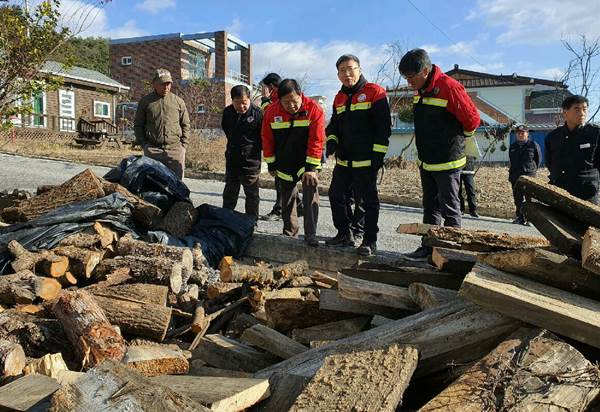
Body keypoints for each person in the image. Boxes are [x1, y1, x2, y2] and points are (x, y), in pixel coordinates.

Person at [399, 49, 480, 259]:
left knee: (450, 208)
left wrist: (459, 140)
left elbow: (472, 119)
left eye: (411, 77)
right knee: (430, 207)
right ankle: (429, 248)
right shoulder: (420, 90)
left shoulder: (449, 87)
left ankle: (450, 253)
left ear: (425, 71)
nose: (409, 82)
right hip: (427, 160)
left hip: (448, 161)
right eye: (406, 78)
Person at [325, 54, 391, 256]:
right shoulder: (339, 97)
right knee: (336, 195)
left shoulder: (375, 92)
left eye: (350, 68)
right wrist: (331, 142)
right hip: (344, 161)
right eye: (342, 70)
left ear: (359, 69)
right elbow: (334, 125)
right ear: (338, 75)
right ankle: (344, 233)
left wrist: (377, 157)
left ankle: (369, 240)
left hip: (367, 161)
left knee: (367, 202)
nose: (347, 74)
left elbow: (383, 128)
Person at [261, 79, 325, 246]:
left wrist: (311, 168)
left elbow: (317, 139)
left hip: (307, 160)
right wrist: (271, 163)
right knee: (287, 198)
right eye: (286, 102)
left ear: (300, 95)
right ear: (279, 100)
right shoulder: (271, 112)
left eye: (294, 101)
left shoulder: (314, 109)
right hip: (284, 160)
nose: (291, 105)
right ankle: (290, 234)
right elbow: (267, 139)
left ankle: (311, 234)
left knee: (310, 192)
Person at [259, 73, 304, 221]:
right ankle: (298, 205)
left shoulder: (281, 95)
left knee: (282, 181)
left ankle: (279, 209)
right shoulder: (281, 94)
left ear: (271, 86)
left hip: (286, 145)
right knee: (285, 181)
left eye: (265, 87)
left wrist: (264, 100)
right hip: (284, 145)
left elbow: (270, 113)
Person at [134, 68, 190, 179]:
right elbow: (138, 125)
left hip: (175, 151)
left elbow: (186, 124)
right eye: (162, 84)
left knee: (177, 185)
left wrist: (183, 145)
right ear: (154, 84)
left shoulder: (178, 102)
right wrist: (144, 145)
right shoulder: (145, 102)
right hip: (153, 151)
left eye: (168, 84)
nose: (166, 87)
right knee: (153, 183)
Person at [545, 95, 600, 204]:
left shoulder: (595, 134)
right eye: (577, 109)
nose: (582, 113)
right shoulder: (553, 136)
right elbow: (550, 163)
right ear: (565, 112)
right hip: (559, 192)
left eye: (584, 109)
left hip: (586, 195)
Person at [221, 85, 263, 219]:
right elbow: (227, 131)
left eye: (244, 102)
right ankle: (225, 220)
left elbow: (262, 137)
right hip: (232, 159)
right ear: (232, 100)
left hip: (251, 162)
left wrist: (250, 150)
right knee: (229, 193)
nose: (241, 106)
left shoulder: (258, 114)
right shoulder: (228, 112)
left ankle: (251, 221)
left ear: (249, 99)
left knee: (252, 195)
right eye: (237, 103)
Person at [509, 124, 541, 224]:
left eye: (522, 133)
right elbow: (511, 160)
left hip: (528, 175)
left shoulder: (533, 145)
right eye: (518, 133)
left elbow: (538, 160)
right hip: (515, 176)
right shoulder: (513, 146)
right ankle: (520, 217)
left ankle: (530, 219)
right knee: (517, 198)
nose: (520, 135)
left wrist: (532, 171)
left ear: (527, 134)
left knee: (529, 198)